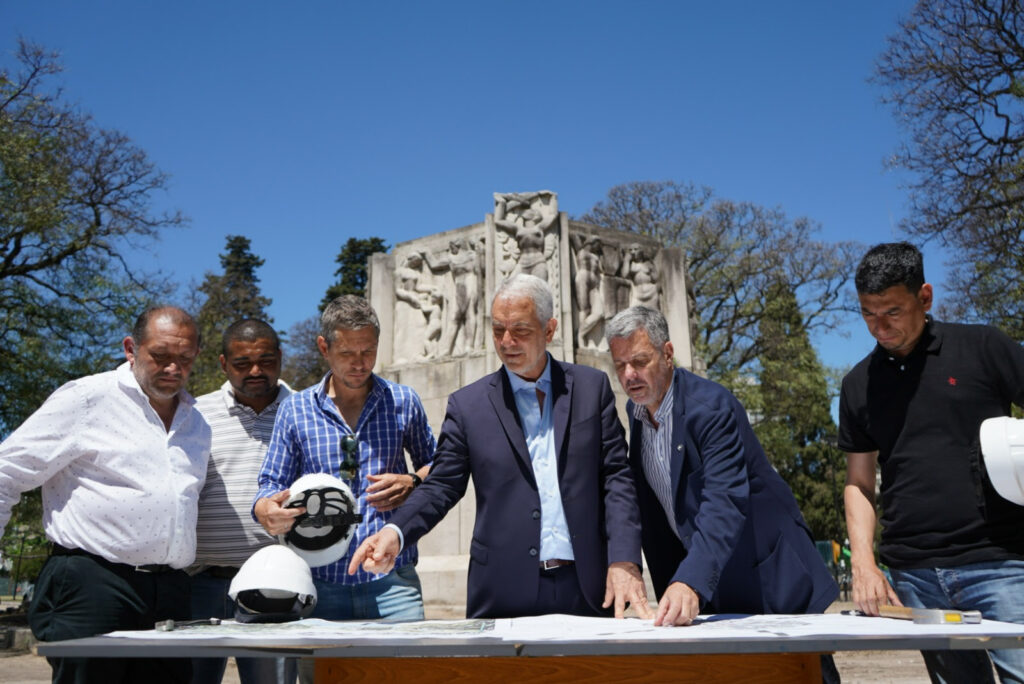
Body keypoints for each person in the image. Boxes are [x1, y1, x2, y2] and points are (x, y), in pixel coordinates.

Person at [349, 274, 652, 620]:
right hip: (503, 591)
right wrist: (395, 531)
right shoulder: (468, 406)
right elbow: (442, 484)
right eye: (497, 330)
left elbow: (617, 477)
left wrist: (625, 559)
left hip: (589, 588)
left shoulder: (591, 387)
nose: (507, 342)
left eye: (521, 330)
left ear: (549, 330)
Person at [840, 242, 1024, 683]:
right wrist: (864, 565)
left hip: (1000, 563)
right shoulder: (857, 385)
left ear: (925, 297)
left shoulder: (983, 347)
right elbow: (859, 484)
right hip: (915, 574)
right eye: (868, 313)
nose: (879, 328)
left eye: (892, 312)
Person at [0, 306, 210, 684]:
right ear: (131, 349)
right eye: (160, 356)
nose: (173, 368)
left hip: (172, 592)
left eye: (185, 358)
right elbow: (6, 472)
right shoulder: (86, 399)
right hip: (93, 584)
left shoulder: (197, 422)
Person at [604, 306, 839, 626]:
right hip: (712, 584)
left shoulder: (712, 408)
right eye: (620, 365)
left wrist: (691, 580)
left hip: (769, 576)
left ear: (668, 353)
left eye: (640, 361)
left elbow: (723, 499)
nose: (629, 375)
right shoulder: (637, 412)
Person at [253, 295, 435, 623]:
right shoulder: (295, 410)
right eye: (347, 353)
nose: (359, 363)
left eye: (368, 351)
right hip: (320, 584)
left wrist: (414, 480)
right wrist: (265, 509)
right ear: (324, 348)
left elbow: (440, 465)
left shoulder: (404, 401)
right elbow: (271, 484)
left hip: (393, 580)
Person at [191, 319, 295, 684]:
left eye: (266, 360)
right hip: (199, 584)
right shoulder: (194, 413)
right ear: (223, 364)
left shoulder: (306, 412)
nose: (255, 371)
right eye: (242, 363)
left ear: (281, 358)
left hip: (276, 585)